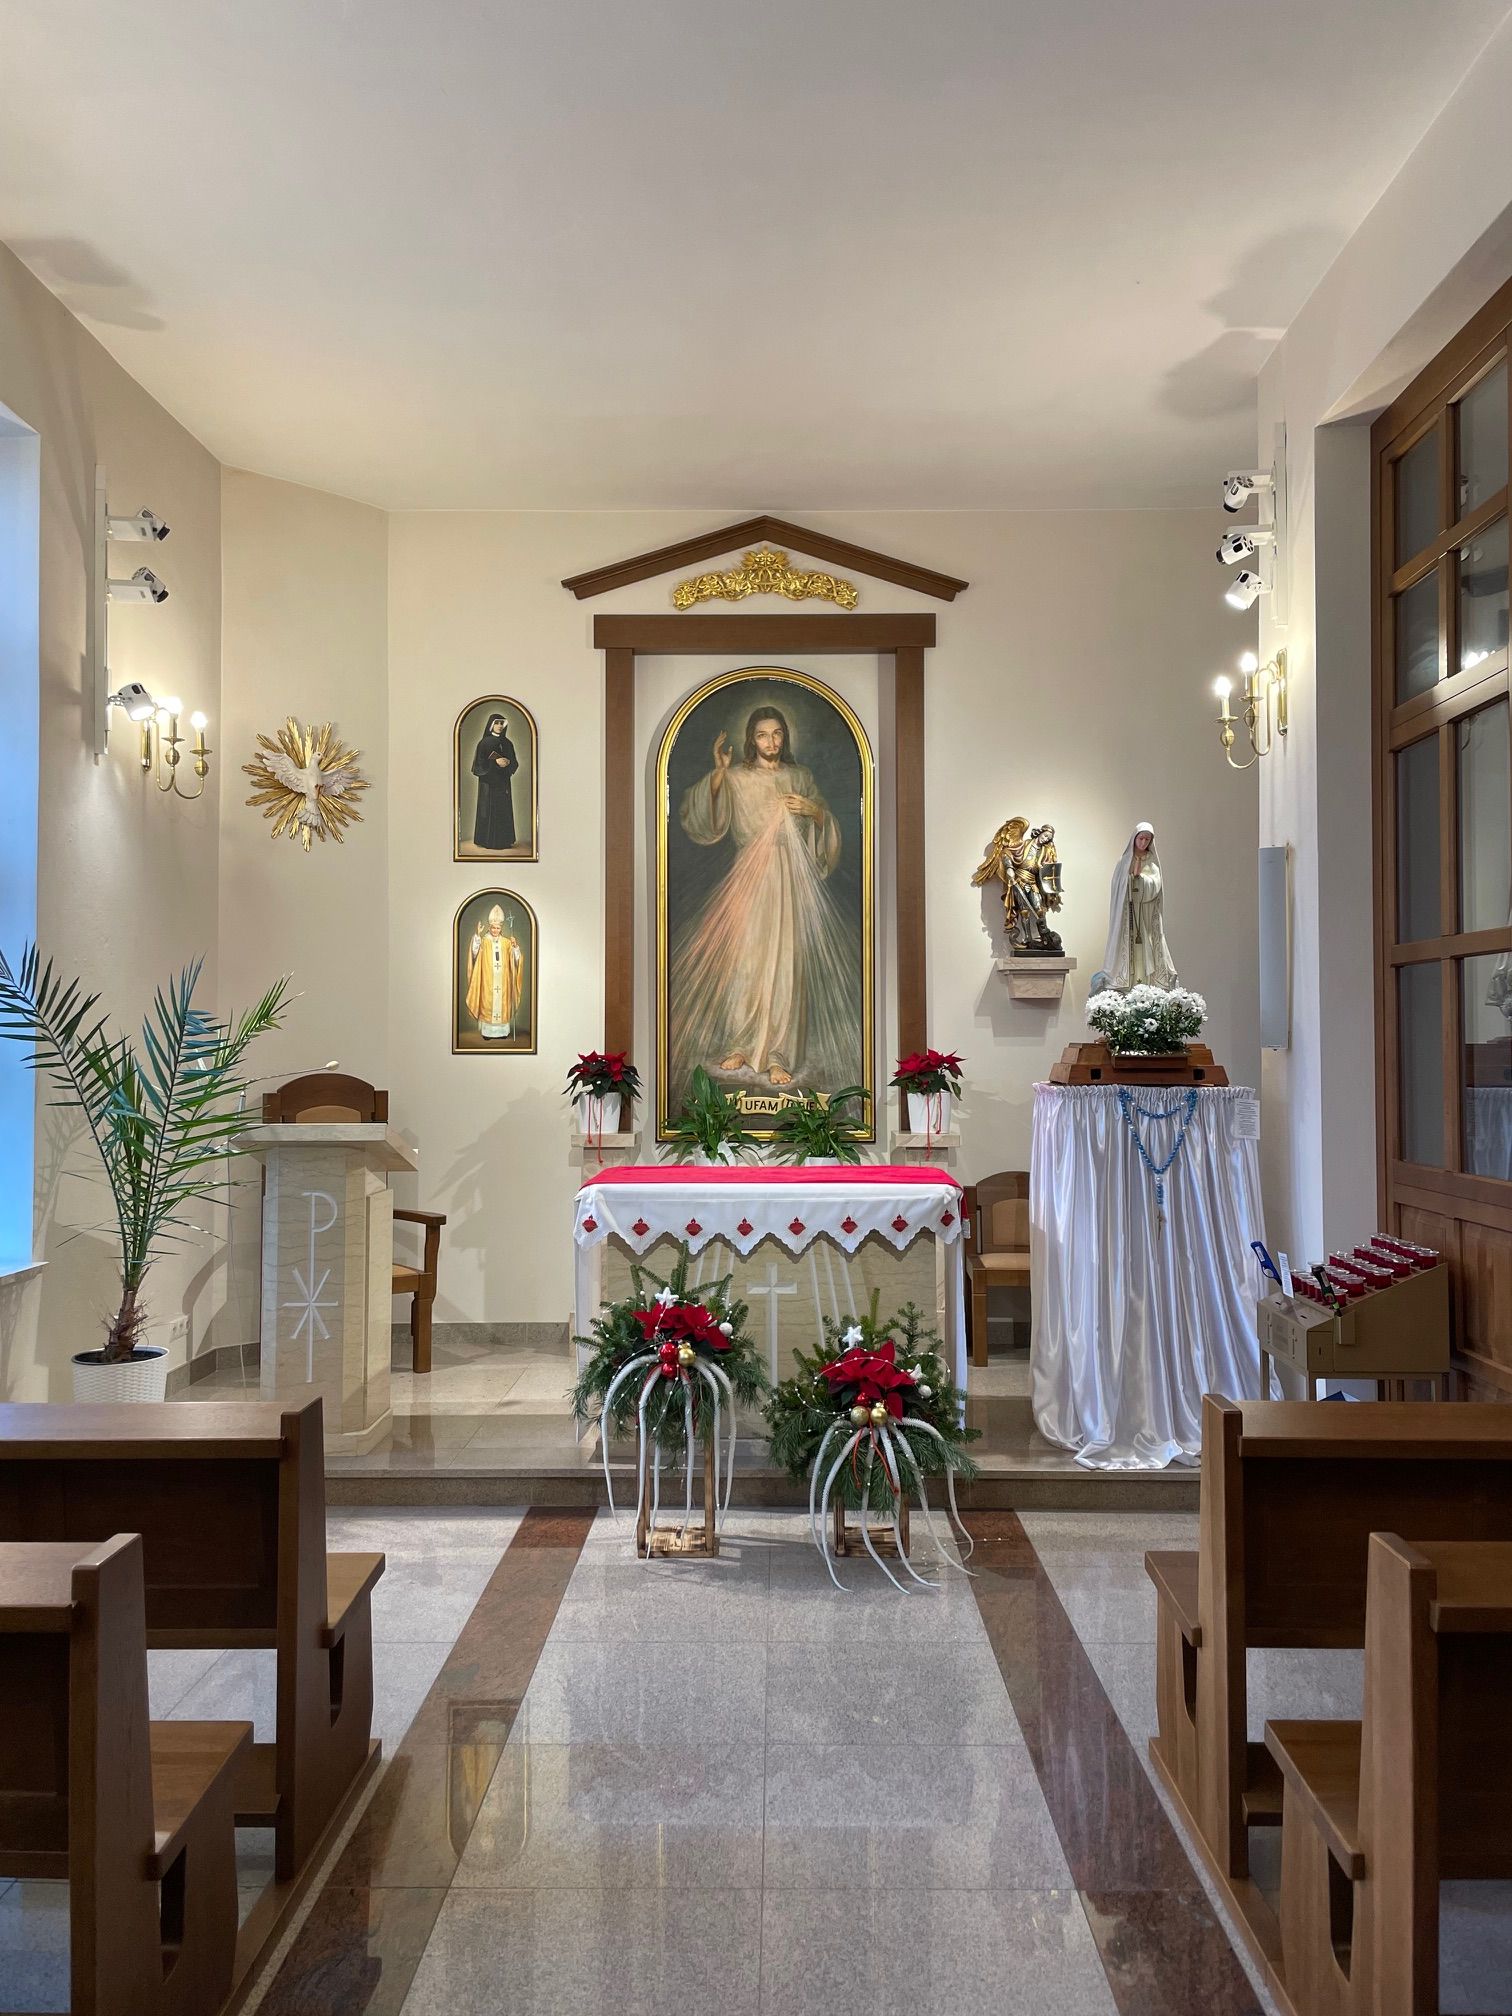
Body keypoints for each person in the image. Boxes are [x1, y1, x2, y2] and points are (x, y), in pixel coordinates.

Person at [671, 704, 858, 1090]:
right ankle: (741, 1042)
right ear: (751, 740)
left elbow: (826, 827)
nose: (770, 741)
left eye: (776, 734)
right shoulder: (736, 776)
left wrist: (814, 811)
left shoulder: (800, 776)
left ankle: (778, 1053)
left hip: (790, 876)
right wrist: (719, 773)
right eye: (761, 735)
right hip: (750, 876)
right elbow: (701, 816)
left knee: (786, 962)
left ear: (784, 736)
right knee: (746, 959)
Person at [1096, 822, 1178, 991]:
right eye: (1141, 838)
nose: (1143, 842)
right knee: (1129, 947)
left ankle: (1148, 984)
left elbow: (1156, 885)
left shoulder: (1152, 861)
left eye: (1147, 839)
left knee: (1147, 946)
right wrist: (1130, 880)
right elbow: (1118, 886)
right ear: (1134, 838)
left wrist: (1141, 880)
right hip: (1128, 913)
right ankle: (1126, 984)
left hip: (1146, 913)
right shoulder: (1124, 861)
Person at [465, 903, 524, 1039]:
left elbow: (516, 960)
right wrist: (477, 936)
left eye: (498, 928)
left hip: (504, 981)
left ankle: (503, 1032)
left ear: (501, 928)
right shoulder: (484, 941)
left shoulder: (507, 942)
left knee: (503, 1004)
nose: (495, 930)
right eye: (493, 927)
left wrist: (515, 947)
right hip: (488, 981)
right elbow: (474, 953)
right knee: (488, 1003)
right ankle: (487, 1033)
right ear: (489, 927)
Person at [471, 714, 518, 851]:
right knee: (488, 810)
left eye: (502, 723)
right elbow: (479, 765)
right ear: (491, 724)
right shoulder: (484, 743)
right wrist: (495, 762)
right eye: (497, 723)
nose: (499, 726)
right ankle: (486, 841)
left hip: (503, 783)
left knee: (503, 809)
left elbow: (514, 763)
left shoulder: (508, 743)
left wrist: (508, 762)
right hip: (489, 784)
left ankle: (504, 840)